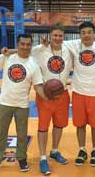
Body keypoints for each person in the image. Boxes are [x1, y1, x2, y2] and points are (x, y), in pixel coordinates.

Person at [0, 33, 47, 174]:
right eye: (22, 44)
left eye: (28, 44)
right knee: (1, 133)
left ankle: (21, 158)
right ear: (18, 44)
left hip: (22, 105)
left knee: (22, 135)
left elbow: (38, 86)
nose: (25, 47)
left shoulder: (33, 64)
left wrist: (48, 97)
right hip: (5, 103)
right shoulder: (7, 57)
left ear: (31, 46)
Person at [63, 22, 95, 167]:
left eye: (89, 32)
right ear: (79, 34)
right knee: (80, 125)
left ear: (94, 34)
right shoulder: (74, 45)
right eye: (83, 33)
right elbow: (55, 42)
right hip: (78, 92)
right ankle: (82, 150)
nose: (86, 35)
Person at [31, 23, 72, 175]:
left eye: (60, 35)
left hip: (62, 95)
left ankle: (55, 150)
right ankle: (43, 157)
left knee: (59, 125)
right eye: (55, 35)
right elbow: (23, 51)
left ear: (64, 37)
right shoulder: (39, 50)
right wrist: (8, 51)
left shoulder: (68, 49)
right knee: (43, 127)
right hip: (45, 95)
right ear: (50, 36)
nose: (57, 38)